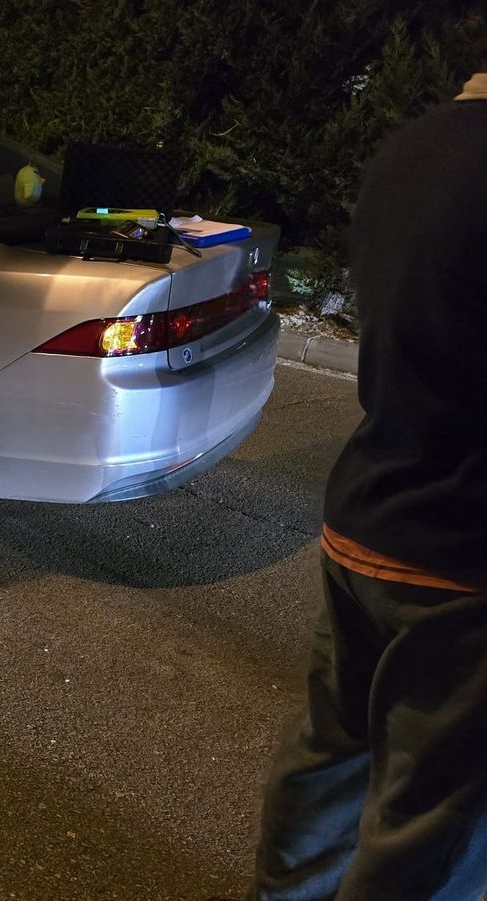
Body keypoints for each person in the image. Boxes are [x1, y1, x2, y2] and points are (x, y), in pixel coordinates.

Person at [251, 72, 487, 899]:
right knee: (431, 835)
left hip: (371, 515)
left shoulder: (411, 149)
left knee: (331, 757)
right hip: (462, 563)